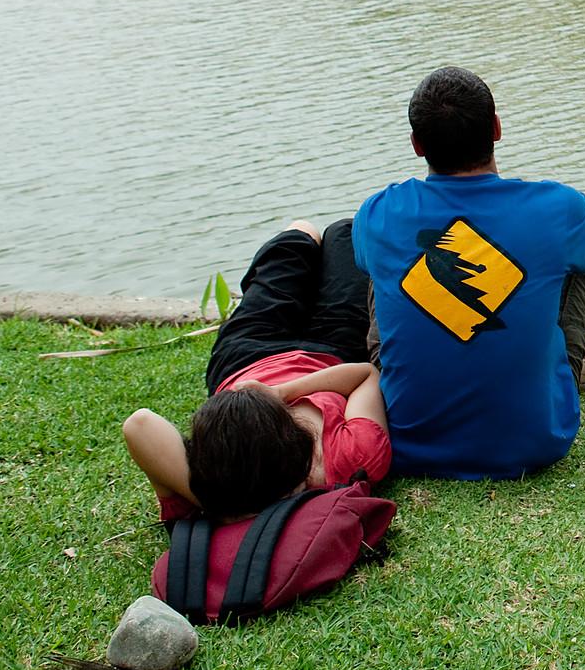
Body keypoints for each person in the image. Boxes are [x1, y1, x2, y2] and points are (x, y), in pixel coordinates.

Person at [353, 66, 585, 480]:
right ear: (497, 128)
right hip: (536, 441)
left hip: (407, 438)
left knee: (379, 256)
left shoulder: (379, 212)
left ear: (417, 144)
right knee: (584, 239)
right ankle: (569, 369)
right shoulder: (555, 208)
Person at [123, 220, 391, 520]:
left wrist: (217, 504)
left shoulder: (219, 489)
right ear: (295, 441)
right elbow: (365, 375)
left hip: (246, 355)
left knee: (300, 236)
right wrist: (283, 392)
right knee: (345, 234)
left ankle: (303, 234)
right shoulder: (352, 460)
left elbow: (139, 424)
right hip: (333, 352)